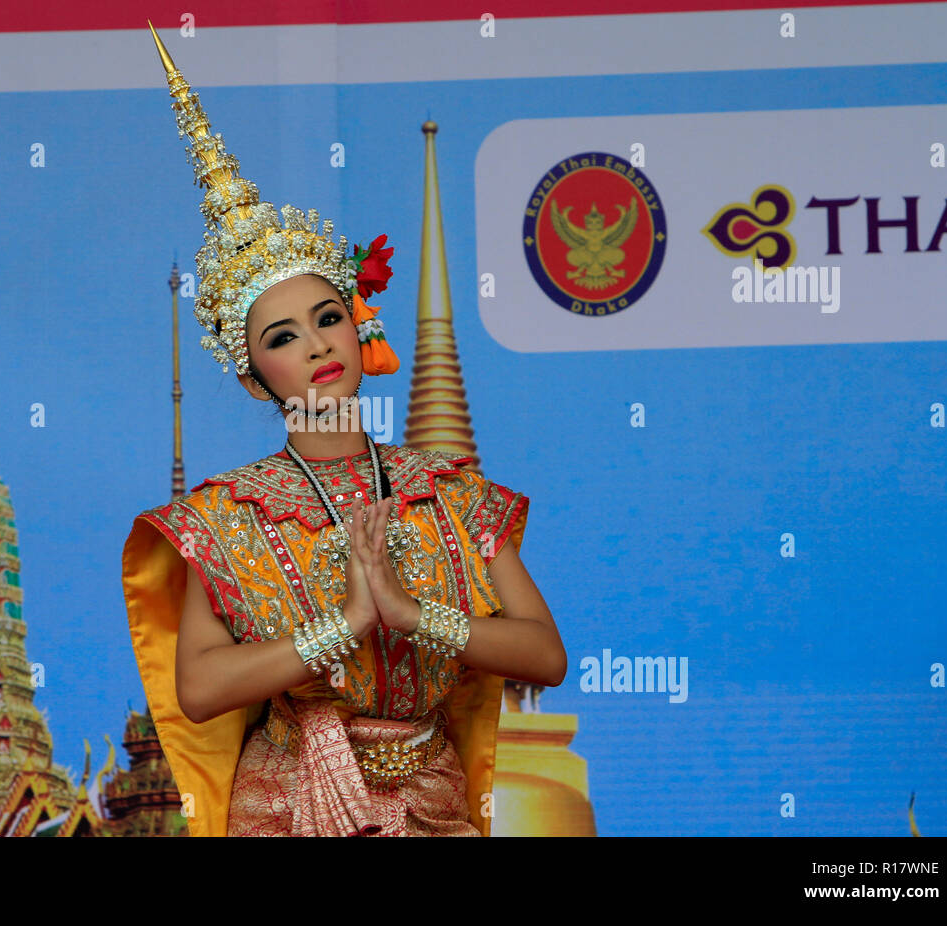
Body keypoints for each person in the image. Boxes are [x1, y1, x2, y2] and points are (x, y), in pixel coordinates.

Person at [121, 22, 566, 837]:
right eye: (283, 336)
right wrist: (346, 626)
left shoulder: (451, 492)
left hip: (430, 792)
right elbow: (201, 687)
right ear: (256, 376)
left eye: (328, 317)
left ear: (361, 330)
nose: (318, 344)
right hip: (290, 798)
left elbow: (545, 654)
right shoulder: (229, 515)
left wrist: (412, 614)